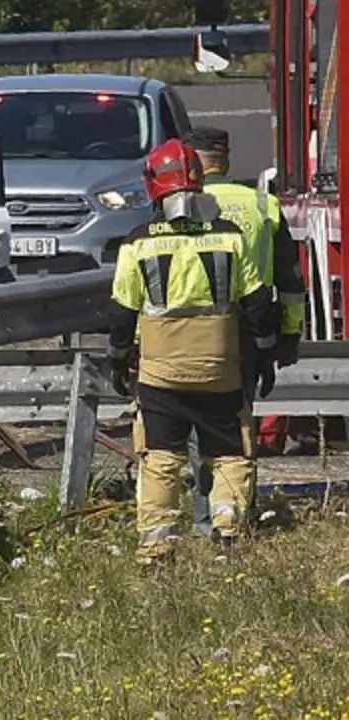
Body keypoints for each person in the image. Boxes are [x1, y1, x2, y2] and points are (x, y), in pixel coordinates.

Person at [108, 138, 277, 562]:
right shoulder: (229, 238)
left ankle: (155, 547)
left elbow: (122, 312)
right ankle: (229, 533)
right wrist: (265, 355)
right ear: (200, 182)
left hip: (160, 373)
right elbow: (258, 304)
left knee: (160, 457)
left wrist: (116, 359)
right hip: (220, 368)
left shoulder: (137, 242)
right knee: (230, 453)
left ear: (153, 186)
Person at [181, 126, 306, 536]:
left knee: (198, 429)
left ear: (192, 163)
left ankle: (205, 517)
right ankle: (234, 514)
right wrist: (287, 337)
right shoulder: (261, 203)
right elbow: (289, 279)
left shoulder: (178, 205)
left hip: (188, 331)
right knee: (237, 425)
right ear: (226, 162)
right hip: (249, 333)